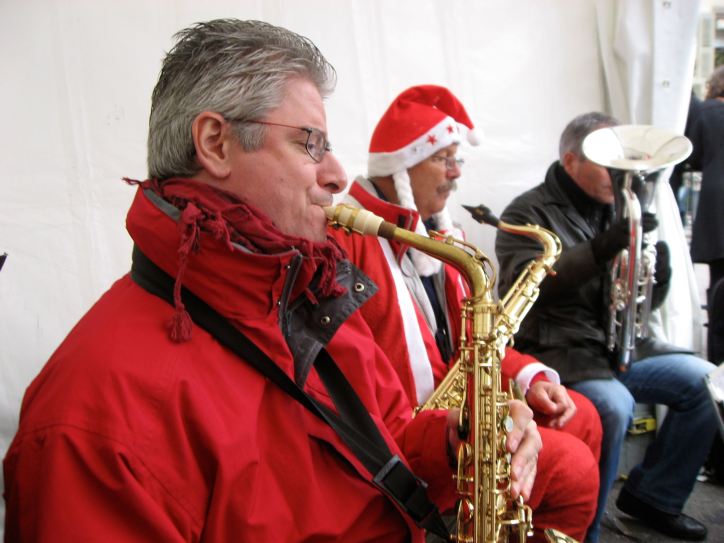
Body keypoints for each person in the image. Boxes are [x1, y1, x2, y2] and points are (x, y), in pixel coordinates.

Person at [2, 20, 543, 542]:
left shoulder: (312, 291)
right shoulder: (92, 419)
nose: (338, 175)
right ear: (215, 143)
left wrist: (458, 440)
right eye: (310, 144)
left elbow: (389, 438)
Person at [330, 85, 601, 542]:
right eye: (444, 159)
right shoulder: (348, 244)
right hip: (413, 440)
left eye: (458, 159)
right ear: (401, 166)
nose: (456, 173)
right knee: (572, 469)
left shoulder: (441, 237)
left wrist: (532, 377)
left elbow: (478, 346)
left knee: (584, 416)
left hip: (455, 410)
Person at [495, 111, 719, 542]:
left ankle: (655, 497)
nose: (617, 174)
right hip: (563, 352)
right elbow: (530, 287)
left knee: (705, 382)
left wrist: (657, 275)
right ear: (570, 161)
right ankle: (586, 531)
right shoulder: (525, 212)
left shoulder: (619, 208)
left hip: (620, 349)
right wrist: (601, 248)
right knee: (614, 406)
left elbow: (635, 301)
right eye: (605, 162)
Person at [688, 66, 724, 363]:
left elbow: (693, 154)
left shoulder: (707, 112)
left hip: (715, 200)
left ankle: (717, 357)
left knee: (718, 283)